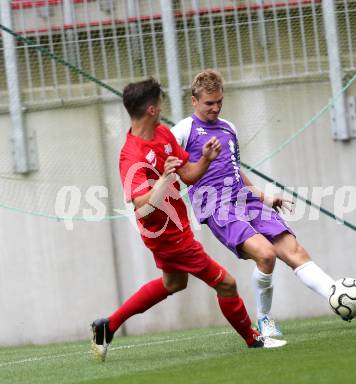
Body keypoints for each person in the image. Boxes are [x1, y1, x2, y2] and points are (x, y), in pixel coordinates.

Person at [171, 69, 356, 337]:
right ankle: (264, 319)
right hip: (216, 207)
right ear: (194, 101)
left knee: (295, 250)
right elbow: (171, 166)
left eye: (219, 102)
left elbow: (235, 170)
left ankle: (341, 297)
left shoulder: (228, 128)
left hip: (245, 199)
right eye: (209, 103)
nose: (215, 108)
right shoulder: (181, 131)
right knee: (266, 254)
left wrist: (265, 197)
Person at [91, 78, 286, 362]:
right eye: (159, 102)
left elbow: (189, 175)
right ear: (151, 109)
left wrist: (205, 159)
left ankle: (107, 326)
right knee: (227, 284)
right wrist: (164, 179)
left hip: (177, 225)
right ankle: (253, 339)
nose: (162, 105)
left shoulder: (163, 135)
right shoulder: (131, 155)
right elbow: (142, 205)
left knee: (174, 283)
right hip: (165, 235)